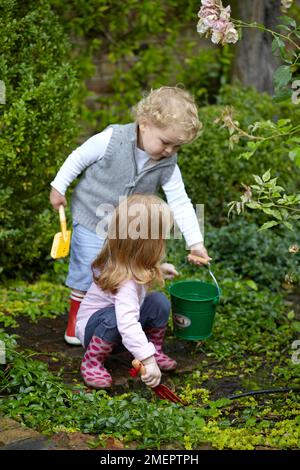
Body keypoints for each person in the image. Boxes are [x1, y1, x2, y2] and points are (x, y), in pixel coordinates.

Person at [50, 86, 211, 345]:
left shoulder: (167, 163)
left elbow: (180, 201)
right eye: (166, 142)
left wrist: (196, 242)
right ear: (144, 124)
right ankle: (76, 324)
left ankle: (117, 319)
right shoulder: (112, 139)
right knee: (88, 268)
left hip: (127, 229)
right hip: (92, 216)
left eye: (177, 146)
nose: (170, 151)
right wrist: (59, 187)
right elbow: (78, 158)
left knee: (125, 270)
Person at [76, 194, 178, 389]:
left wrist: (160, 268)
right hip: (96, 332)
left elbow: (139, 269)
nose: (163, 242)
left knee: (158, 302)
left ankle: (152, 349)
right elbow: (127, 324)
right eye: (161, 238)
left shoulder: (127, 261)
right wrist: (147, 362)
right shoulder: (125, 283)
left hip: (120, 329)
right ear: (147, 245)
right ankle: (92, 361)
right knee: (115, 318)